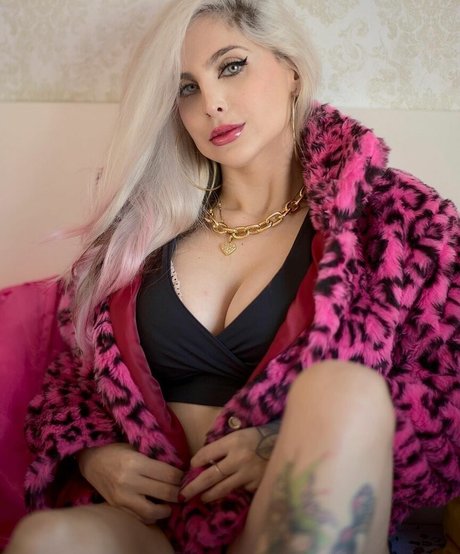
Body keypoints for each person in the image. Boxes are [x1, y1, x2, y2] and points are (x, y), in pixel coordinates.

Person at [4, 0, 459, 553]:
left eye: (232, 66)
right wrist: (92, 453)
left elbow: (449, 394)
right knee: (48, 538)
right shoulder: (142, 230)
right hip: (159, 524)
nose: (211, 103)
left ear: (292, 70)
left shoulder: (396, 220)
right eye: (186, 88)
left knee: (347, 390)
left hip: (290, 513)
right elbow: (72, 377)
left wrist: (279, 446)